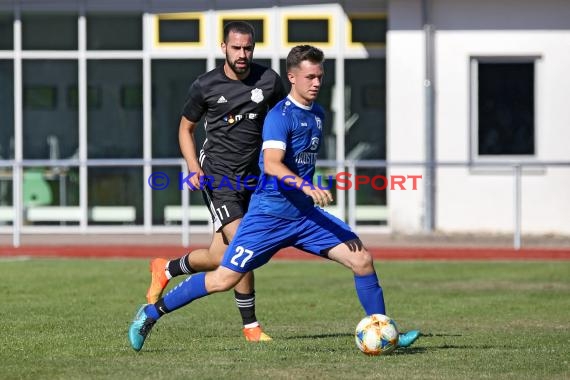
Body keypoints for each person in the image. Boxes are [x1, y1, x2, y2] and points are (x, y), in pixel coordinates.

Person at [129, 44, 420, 352]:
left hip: (305, 217)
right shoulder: (279, 117)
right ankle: (150, 313)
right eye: (310, 77)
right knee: (223, 278)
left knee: (362, 259)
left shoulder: (318, 114)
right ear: (292, 77)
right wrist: (305, 186)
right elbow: (271, 163)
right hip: (268, 217)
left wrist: (306, 192)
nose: (317, 83)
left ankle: (384, 331)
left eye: (320, 76)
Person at [145, 21, 286, 342]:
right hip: (218, 176)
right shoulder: (205, 85)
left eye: (248, 48)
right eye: (236, 47)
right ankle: (250, 327)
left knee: (219, 255)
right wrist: (193, 167)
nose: (242, 54)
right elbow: (185, 129)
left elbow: (281, 118)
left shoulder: (269, 80)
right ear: (223, 47)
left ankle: (166, 268)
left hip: (253, 178)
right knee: (245, 245)